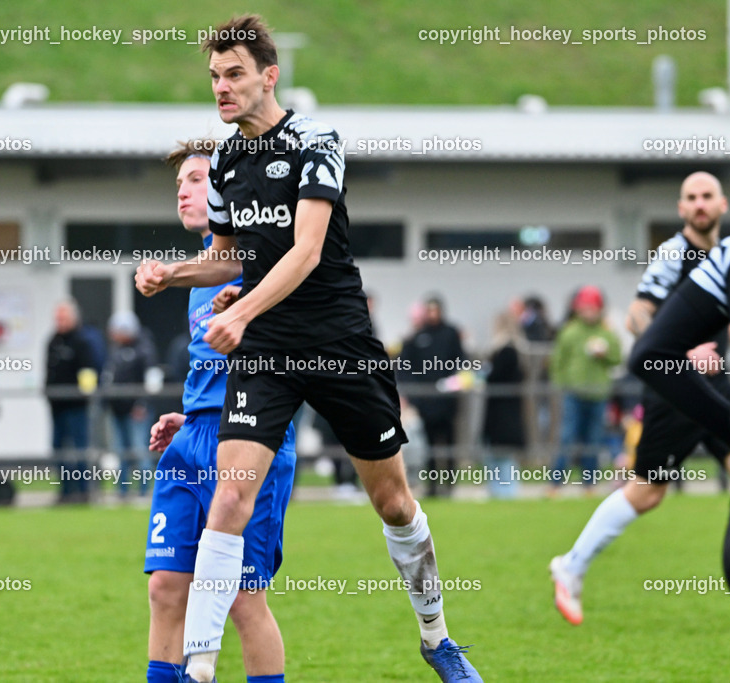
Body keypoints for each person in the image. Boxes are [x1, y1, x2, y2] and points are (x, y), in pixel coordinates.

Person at [135, 16, 480, 682]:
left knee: (393, 503)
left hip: (338, 342)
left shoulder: (317, 142)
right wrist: (170, 273)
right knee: (228, 502)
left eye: (234, 73)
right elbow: (227, 258)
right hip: (267, 351)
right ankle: (200, 667)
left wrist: (245, 310)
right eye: (213, 77)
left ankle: (437, 637)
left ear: (270, 74)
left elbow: (307, 249)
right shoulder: (227, 162)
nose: (222, 88)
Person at [139, 139, 297, 683]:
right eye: (179, 182)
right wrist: (191, 415)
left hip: (251, 442)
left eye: (197, 178)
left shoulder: (264, 259)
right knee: (165, 586)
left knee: (241, 600)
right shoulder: (200, 270)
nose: (184, 190)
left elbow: (289, 359)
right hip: (193, 439)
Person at [611, 173, 730, 602]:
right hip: (676, 389)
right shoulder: (675, 253)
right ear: (681, 208)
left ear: (723, 204)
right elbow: (637, 319)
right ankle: (571, 564)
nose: (700, 204)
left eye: (707, 197)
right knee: (647, 491)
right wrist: (680, 356)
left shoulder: (726, 254)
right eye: (691, 198)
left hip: (717, 385)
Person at [548, 286, 622, 494]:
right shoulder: (569, 332)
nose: (589, 312)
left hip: (598, 393)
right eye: (585, 308)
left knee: (594, 439)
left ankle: (589, 484)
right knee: (567, 437)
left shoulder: (606, 333)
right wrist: (562, 386)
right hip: (573, 393)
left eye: (592, 308)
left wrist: (604, 354)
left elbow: (618, 359)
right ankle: (555, 483)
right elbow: (557, 363)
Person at [399, 296, 467, 497]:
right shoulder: (418, 337)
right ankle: (433, 485)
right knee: (428, 446)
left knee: (449, 442)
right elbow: (404, 367)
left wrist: (455, 382)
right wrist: (414, 393)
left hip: (447, 401)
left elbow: (461, 360)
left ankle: (450, 484)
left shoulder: (450, 333)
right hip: (426, 402)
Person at [45, 300, 98, 504]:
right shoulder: (52, 341)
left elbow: (90, 371)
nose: (59, 321)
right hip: (57, 406)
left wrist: (83, 394)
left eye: (63, 317)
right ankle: (65, 491)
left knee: (80, 448)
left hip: (77, 406)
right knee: (58, 448)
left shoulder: (82, 341)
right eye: (57, 318)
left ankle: (84, 492)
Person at [103, 310, 156, 498]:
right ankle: (122, 491)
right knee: (120, 452)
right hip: (117, 410)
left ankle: (143, 491)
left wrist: (142, 404)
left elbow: (152, 380)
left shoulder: (144, 349)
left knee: (139, 450)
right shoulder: (115, 350)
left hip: (136, 411)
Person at [482, 311, 526, 499]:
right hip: (503, 413)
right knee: (499, 456)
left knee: (503, 456)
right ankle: (499, 491)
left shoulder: (506, 351)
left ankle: (506, 492)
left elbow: (494, 377)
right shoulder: (515, 351)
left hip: (503, 415)